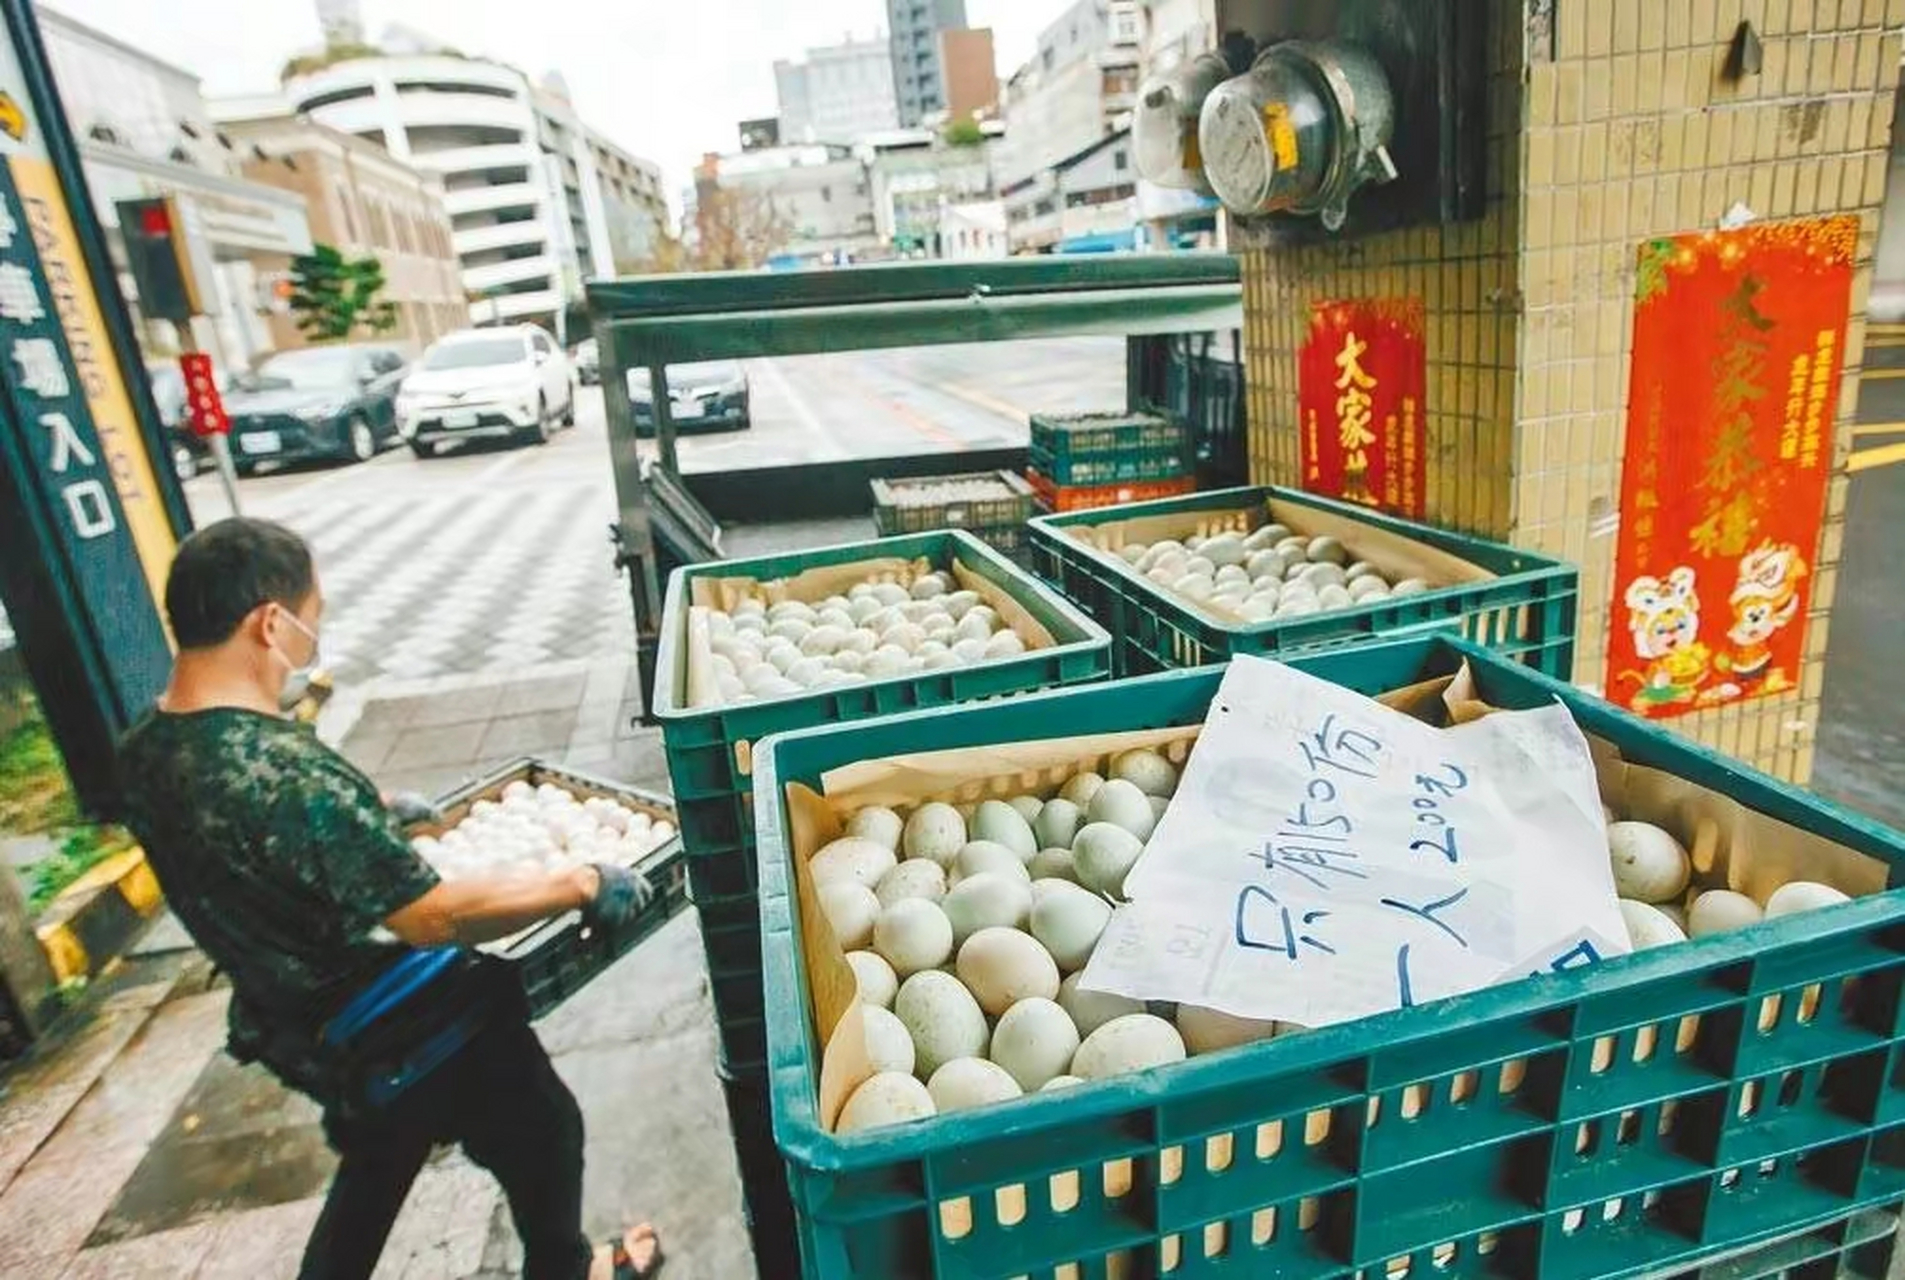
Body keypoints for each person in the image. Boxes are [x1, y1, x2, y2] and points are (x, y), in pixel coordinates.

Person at [116, 517, 663, 1280]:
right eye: (313, 616)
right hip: (406, 1023)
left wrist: (364, 809)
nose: (315, 634)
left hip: (297, 1024)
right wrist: (580, 881)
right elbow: (430, 915)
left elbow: (244, 833)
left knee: (376, 1166)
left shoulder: (146, 746)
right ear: (270, 623)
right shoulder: (283, 771)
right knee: (543, 1132)